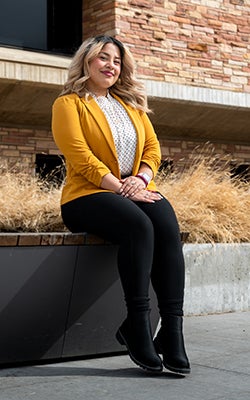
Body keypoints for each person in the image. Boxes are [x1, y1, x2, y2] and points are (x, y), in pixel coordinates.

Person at [52, 35, 190, 374]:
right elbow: (80, 157)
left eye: (115, 60)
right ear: (86, 62)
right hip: (87, 196)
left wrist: (141, 179)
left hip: (134, 190)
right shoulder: (69, 104)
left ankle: (172, 332)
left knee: (167, 224)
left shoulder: (132, 106)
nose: (110, 65)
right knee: (139, 225)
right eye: (102, 58)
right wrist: (122, 189)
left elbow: (153, 150)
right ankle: (137, 325)